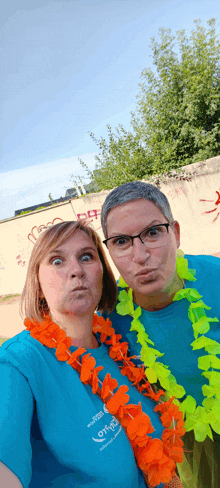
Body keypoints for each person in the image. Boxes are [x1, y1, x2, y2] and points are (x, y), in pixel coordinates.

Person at [0, 220, 182, 488]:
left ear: (102, 273)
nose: (76, 270)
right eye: (57, 261)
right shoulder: (18, 363)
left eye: (86, 257)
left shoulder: (121, 344)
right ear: (37, 281)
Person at [101, 181, 220, 488]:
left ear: (176, 233)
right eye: (122, 242)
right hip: (187, 459)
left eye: (152, 233)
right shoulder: (108, 326)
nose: (140, 255)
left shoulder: (216, 277)